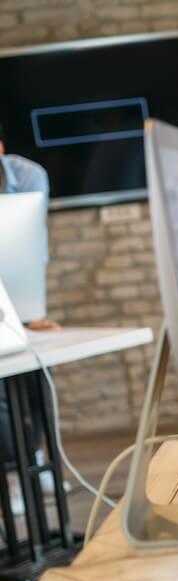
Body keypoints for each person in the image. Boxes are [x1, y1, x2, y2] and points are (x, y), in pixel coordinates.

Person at [0, 119, 62, 515]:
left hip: (16, 300)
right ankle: (13, 472)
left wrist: (23, 312)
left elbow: (26, 247)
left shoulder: (28, 176)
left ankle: (35, 461)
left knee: (40, 371)